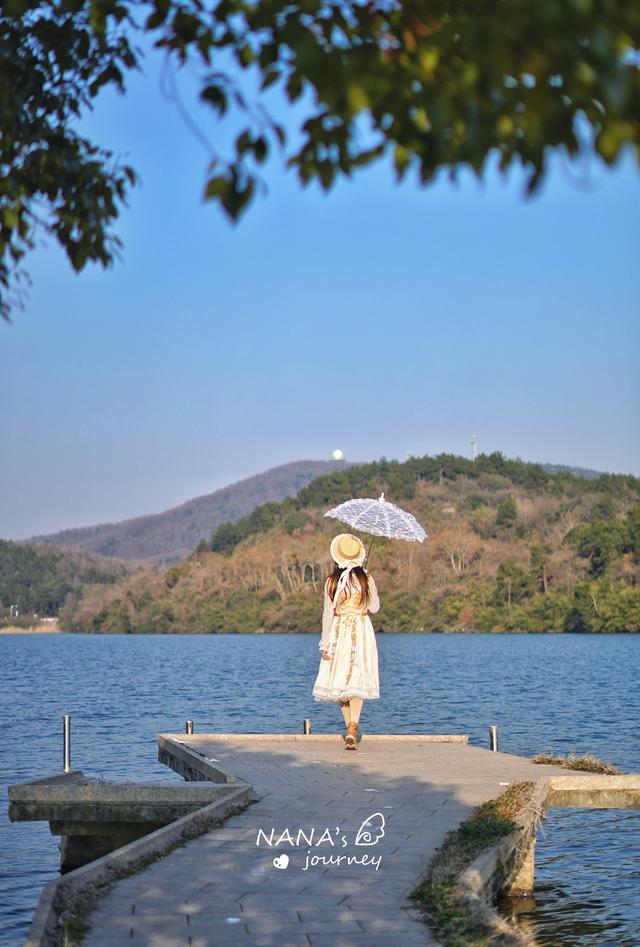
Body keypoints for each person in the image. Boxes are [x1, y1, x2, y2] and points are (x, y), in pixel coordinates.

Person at [312, 533, 380, 750]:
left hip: (340, 629)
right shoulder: (365, 578)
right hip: (361, 628)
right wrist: (366, 587)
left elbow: (327, 614)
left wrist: (325, 642)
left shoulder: (331, 582)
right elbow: (375, 607)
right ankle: (353, 726)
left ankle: (349, 727)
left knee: (339, 678)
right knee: (358, 676)